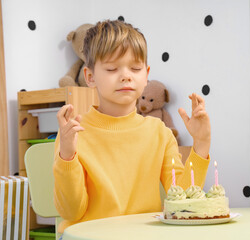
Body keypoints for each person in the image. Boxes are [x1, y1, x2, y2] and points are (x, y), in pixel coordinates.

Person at [53, 19, 211, 233]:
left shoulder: (160, 134)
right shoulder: (73, 134)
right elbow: (71, 212)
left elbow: (181, 202)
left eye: (135, 68)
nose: (126, 75)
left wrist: (200, 145)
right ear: (90, 77)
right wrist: (67, 156)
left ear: (146, 75)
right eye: (111, 68)